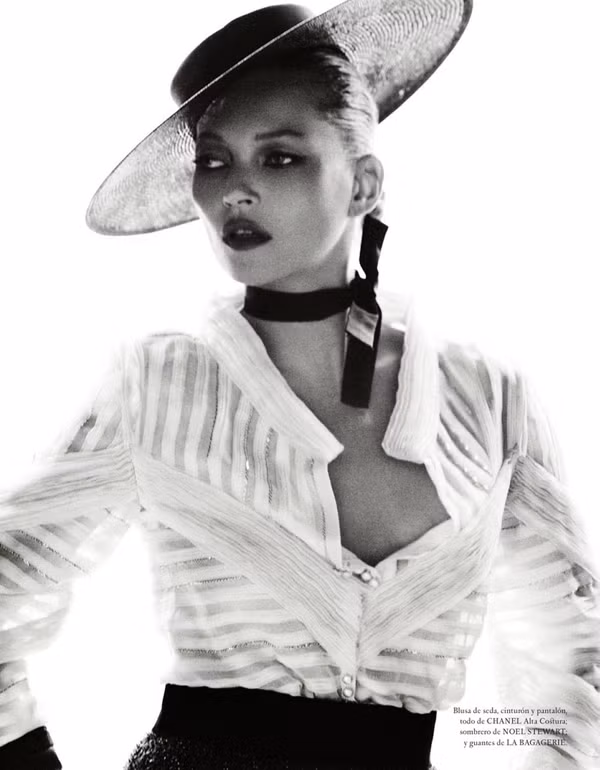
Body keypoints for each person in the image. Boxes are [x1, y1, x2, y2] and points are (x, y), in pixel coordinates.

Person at [1, 1, 598, 769]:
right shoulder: (154, 382)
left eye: (279, 157)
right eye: (214, 161)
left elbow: (570, 661)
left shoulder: (489, 397)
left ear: (363, 183)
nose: (234, 192)